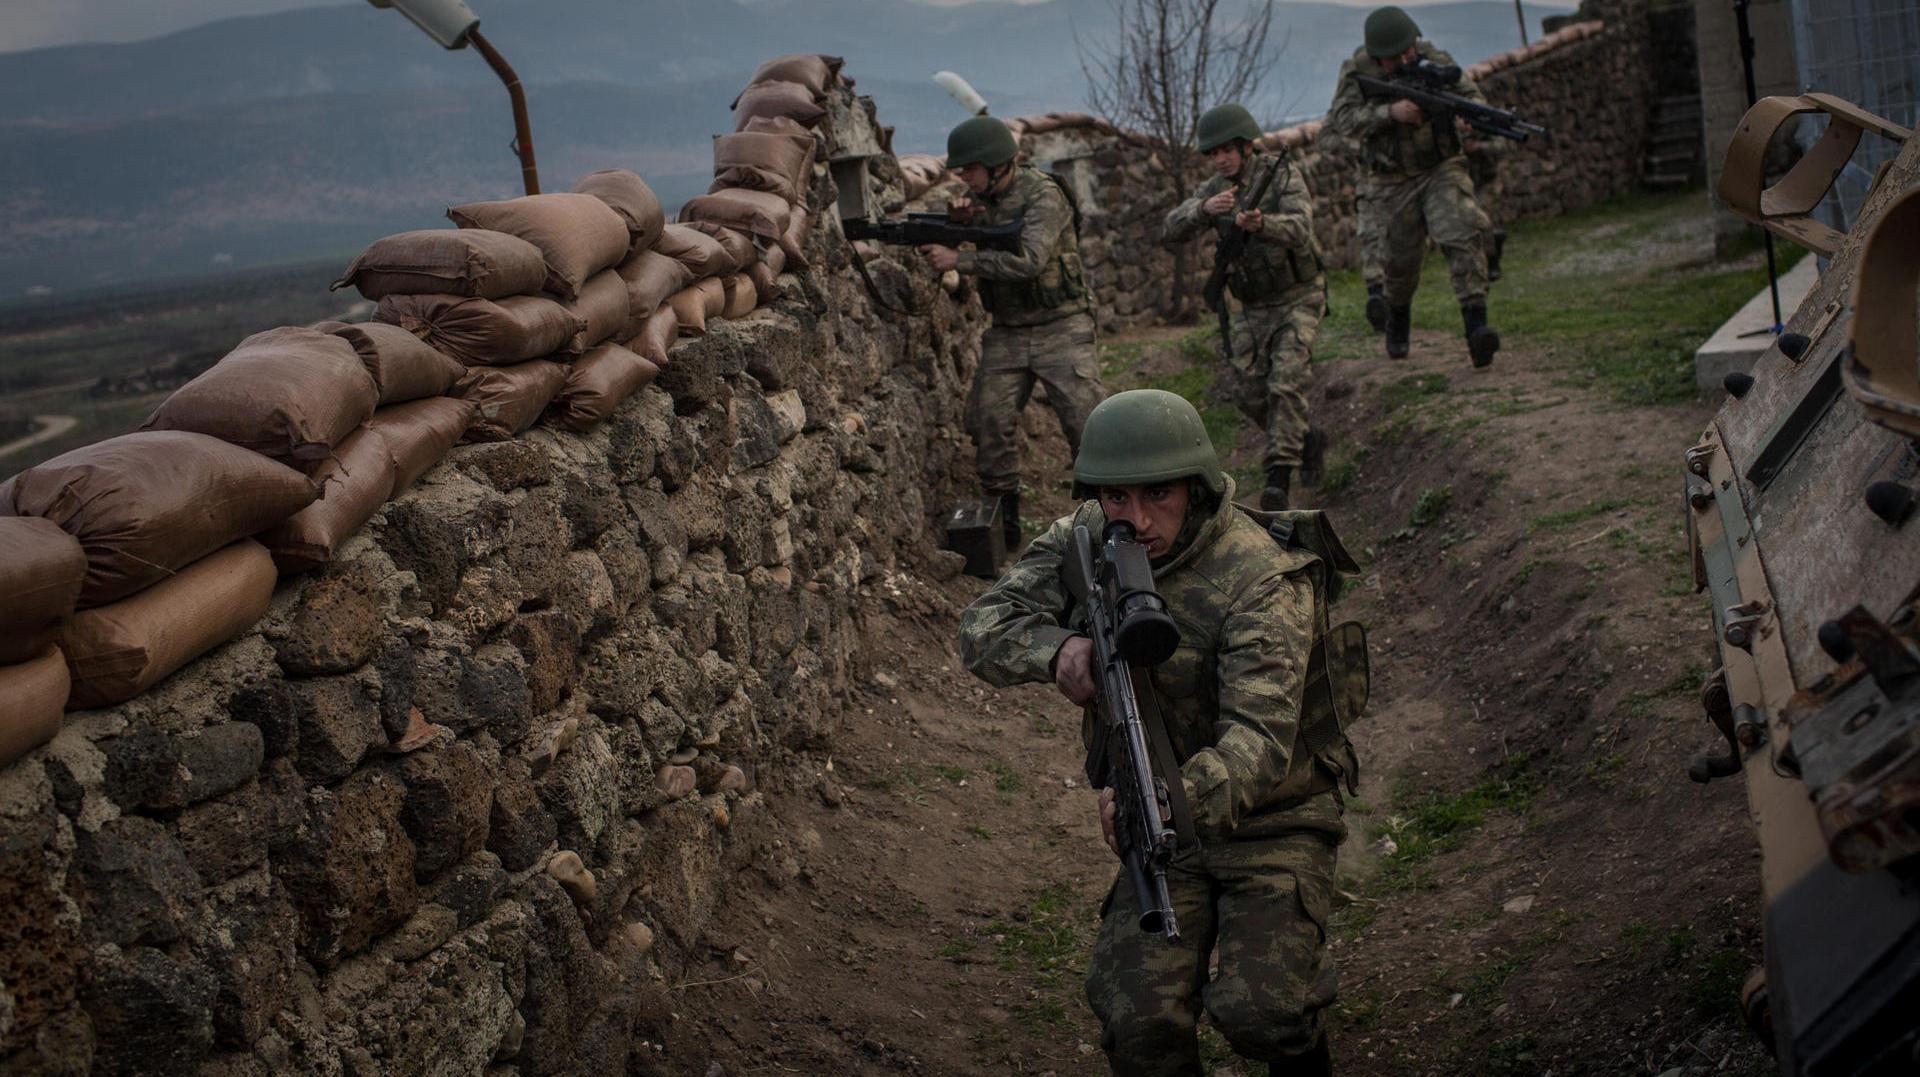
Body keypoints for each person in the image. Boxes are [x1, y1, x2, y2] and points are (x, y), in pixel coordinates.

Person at [958, 389, 1357, 1077]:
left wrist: (1159, 802)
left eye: (1159, 494)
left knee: (1262, 1013)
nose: (1137, 520)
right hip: (1167, 831)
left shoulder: (1260, 577)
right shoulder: (1087, 536)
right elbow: (981, 626)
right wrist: (1056, 649)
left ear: (1195, 487)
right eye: (1118, 497)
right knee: (1139, 1023)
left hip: (1276, 820)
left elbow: (1258, 746)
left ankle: (1301, 1037)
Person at [921, 115, 1107, 549]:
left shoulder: (1044, 195)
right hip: (1008, 330)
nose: (964, 178)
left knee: (1088, 424)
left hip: (1062, 324)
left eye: (970, 169)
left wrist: (960, 260)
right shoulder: (980, 200)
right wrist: (961, 225)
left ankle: (1107, 521)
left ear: (997, 163)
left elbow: (1030, 261)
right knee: (988, 420)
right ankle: (1005, 531)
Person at [1163, 104, 1327, 511]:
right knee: (1247, 392)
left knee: (1286, 382)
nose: (1220, 159)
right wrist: (1203, 209)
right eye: (1213, 153)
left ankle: (1278, 479)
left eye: (1227, 150)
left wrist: (1263, 224)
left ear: (1246, 146)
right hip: (1252, 306)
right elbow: (1171, 228)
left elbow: (1301, 227)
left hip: (1298, 296)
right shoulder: (1215, 189)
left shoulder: (1281, 174)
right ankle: (1307, 441)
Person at [1329, 5, 1501, 367]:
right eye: (1395, 57)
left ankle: (1477, 328)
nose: (1405, 59)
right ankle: (1398, 320)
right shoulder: (1357, 71)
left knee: (1462, 232)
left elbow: (1471, 96)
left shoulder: (1434, 60)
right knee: (1400, 264)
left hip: (1440, 168)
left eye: (1408, 51)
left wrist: (1470, 118)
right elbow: (1342, 121)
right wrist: (1390, 113)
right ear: (1378, 57)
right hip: (1390, 181)